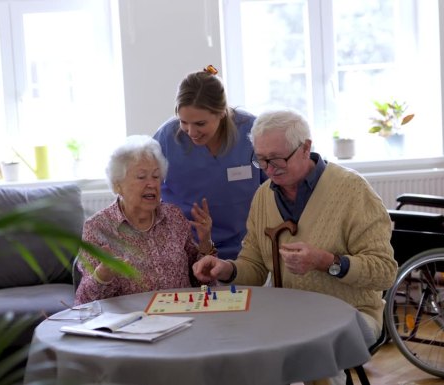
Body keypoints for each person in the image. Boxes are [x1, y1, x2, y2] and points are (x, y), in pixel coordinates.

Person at [192, 110, 397, 385]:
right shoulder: (263, 197)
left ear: (306, 148)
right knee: (239, 350)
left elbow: (384, 272)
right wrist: (225, 269)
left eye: (277, 159)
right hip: (286, 317)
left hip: (352, 314)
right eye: (261, 160)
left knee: (313, 350)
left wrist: (326, 261)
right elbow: (252, 267)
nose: (268, 169)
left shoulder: (352, 190)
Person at [75, 135, 216, 304]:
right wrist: (102, 275)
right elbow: (84, 302)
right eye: (141, 177)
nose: (151, 184)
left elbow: (201, 281)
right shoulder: (97, 228)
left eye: (156, 176)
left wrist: (205, 242)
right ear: (117, 184)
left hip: (181, 316)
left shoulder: (174, 217)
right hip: (131, 324)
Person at [153, 65, 265, 261]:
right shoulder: (166, 138)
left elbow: (274, 186)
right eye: (183, 122)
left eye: (200, 124)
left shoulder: (252, 131)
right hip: (186, 249)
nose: (191, 132)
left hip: (246, 248)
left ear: (222, 112)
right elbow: (144, 186)